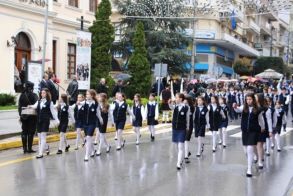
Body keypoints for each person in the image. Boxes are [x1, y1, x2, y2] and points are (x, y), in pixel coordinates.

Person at [234, 93, 265, 177]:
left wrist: (263, 127)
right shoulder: (244, 108)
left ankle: (249, 169)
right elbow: (237, 110)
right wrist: (235, 107)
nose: (248, 101)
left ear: (253, 100)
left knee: (250, 148)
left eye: (250, 99)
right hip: (245, 131)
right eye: (247, 99)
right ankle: (255, 156)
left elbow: (261, 119)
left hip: (253, 131)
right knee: (246, 151)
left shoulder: (257, 109)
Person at [29, 88, 59, 159]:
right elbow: (34, 106)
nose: (42, 94)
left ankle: (40, 153)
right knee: (39, 137)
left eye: (44, 93)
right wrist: (30, 106)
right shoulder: (39, 101)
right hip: (39, 121)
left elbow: (53, 112)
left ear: (47, 94)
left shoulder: (50, 102)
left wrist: (57, 121)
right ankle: (46, 147)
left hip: (45, 121)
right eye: (41, 93)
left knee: (42, 137)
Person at [169, 93, 190, 170]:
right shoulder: (175, 106)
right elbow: (171, 107)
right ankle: (180, 159)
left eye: (177, 97)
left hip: (182, 129)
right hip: (175, 128)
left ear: (181, 99)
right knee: (176, 146)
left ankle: (178, 163)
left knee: (181, 146)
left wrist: (187, 127)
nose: (176, 98)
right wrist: (170, 102)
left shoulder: (186, 108)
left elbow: (187, 118)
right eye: (175, 97)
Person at [83, 90, 103, 161]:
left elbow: (98, 113)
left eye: (88, 94)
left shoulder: (96, 104)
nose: (86, 95)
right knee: (88, 139)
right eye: (86, 94)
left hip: (92, 123)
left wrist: (101, 119)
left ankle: (86, 155)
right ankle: (92, 150)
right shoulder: (83, 103)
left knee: (88, 138)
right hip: (85, 124)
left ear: (92, 95)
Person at [18, 81, 38, 153]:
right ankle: (29, 148)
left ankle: (24, 149)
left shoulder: (22, 95)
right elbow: (37, 106)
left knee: (24, 132)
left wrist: (20, 115)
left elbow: (19, 107)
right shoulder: (34, 95)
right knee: (31, 132)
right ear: (31, 87)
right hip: (32, 116)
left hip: (23, 116)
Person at [255, 93, 272, 169]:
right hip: (254, 128)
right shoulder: (253, 107)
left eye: (256, 97)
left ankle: (260, 160)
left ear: (259, 99)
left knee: (260, 145)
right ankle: (257, 156)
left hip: (262, 128)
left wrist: (270, 131)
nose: (254, 98)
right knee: (254, 145)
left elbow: (269, 120)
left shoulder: (266, 109)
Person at [183, 95, 194, 163]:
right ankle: (187, 151)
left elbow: (189, 114)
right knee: (183, 141)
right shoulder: (182, 106)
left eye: (185, 101)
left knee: (186, 140)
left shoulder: (191, 108)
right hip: (182, 125)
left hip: (189, 125)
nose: (184, 102)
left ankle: (186, 156)